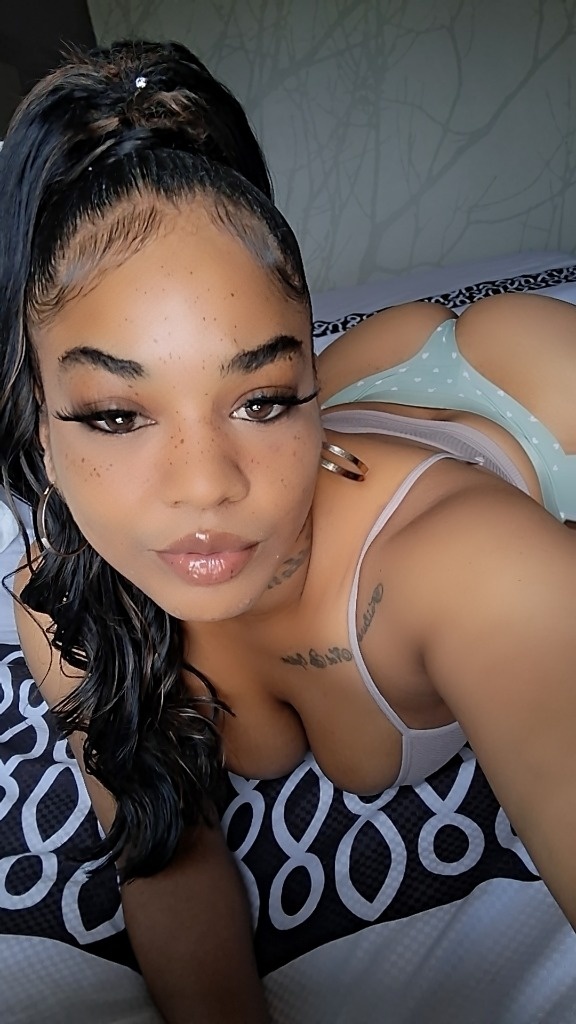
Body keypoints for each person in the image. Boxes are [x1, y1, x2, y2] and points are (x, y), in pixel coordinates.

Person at [1, 39, 575, 1024]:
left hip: (520, 386)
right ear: (41, 428)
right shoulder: (61, 601)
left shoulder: (483, 573)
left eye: (262, 398)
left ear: (304, 381)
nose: (206, 487)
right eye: (117, 414)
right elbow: (166, 859)